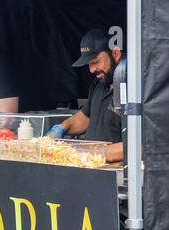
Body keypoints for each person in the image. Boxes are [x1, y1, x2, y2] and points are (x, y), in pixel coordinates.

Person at [52, 28, 124, 165]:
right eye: (89, 64)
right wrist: (62, 128)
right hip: (90, 167)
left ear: (115, 53)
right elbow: (85, 117)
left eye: (95, 61)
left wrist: (92, 153)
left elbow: (139, 145)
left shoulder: (134, 91)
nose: (91, 69)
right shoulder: (98, 84)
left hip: (115, 174)